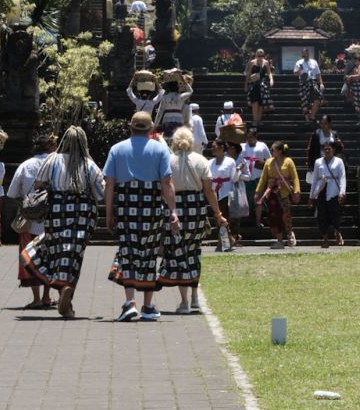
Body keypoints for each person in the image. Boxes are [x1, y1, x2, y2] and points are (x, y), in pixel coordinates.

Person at [21, 127, 105, 318]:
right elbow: (100, 193)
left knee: (56, 250)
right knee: (74, 254)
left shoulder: (52, 159)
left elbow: (38, 185)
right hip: (83, 215)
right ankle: (67, 293)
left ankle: (63, 293)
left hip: (57, 211)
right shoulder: (89, 164)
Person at [104, 112, 178, 322]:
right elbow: (166, 183)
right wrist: (173, 211)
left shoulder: (117, 149)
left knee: (128, 252)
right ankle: (147, 305)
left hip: (127, 207)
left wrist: (109, 212)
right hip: (152, 207)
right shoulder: (160, 148)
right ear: (151, 129)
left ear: (130, 127)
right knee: (149, 253)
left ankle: (130, 303)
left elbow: (109, 184)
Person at [161, 128, 224, 312]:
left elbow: (163, 188)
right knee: (194, 252)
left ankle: (184, 302)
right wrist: (218, 213)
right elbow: (209, 191)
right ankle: (195, 298)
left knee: (179, 253)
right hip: (197, 209)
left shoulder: (168, 161)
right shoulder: (201, 160)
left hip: (176, 208)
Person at [6, 134, 58, 309]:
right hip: (52, 220)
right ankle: (46, 296)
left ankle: (36, 298)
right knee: (50, 257)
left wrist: (27, 204)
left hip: (29, 221)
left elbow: (13, 193)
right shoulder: (58, 164)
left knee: (31, 257)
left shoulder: (25, 165)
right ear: (52, 147)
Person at [255, 140, 301, 248]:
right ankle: (280, 240)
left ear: (280, 151)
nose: (271, 151)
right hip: (272, 193)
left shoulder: (288, 161)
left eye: (273, 149)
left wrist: (297, 191)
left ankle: (290, 234)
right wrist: (258, 192)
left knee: (286, 215)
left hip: (284, 192)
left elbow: (295, 177)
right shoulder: (268, 162)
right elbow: (263, 178)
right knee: (274, 216)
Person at [310, 139, 347, 248]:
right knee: (322, 215)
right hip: (321, 190)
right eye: (325, 149)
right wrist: (311, 196)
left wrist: (342, 192)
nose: (327, 151)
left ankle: (337, 232)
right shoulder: (318, 162)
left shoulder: (339, 162)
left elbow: (342, 177)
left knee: (335, 214)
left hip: (334, 190)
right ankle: (325, 238)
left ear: (333, 150)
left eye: (329, 149)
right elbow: (315, 179)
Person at [208, 138, 239, 248]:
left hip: (227, 192)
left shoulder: (230, 161)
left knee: (224, 217)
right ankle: (225, 240)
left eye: (214, 146)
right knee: (218, 217)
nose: (212, 148)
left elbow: (234, 178)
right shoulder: (210, 162)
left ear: (221, 148)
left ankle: (225, 241)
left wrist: (238, 171)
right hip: (214, 192)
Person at [240, 127, 271, 226]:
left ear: (255, 137)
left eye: (251, 137)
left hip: (258, 177)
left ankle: (258, 221)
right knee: (244, 199)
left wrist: (262, 163)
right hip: (245, 177)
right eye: (247, 137)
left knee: (258, 200)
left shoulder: (262, 145)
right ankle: (243, 220)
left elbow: (270, 160)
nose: (249, 140)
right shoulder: (241, 146)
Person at [153, 69, 190, 140]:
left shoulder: (165, 97)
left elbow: (160, 112)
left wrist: (155, 125)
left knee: (167, 137)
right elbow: (190, 91)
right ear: (177, 87)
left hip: (167, 118)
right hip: (178, 117)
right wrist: (184, 81)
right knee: (177, 137)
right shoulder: (181, 97)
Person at [245, 48, 276, 126]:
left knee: (261, 104)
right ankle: (255, 120)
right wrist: (245, 85)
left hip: (262, 84)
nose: (261, 57)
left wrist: (271, 80)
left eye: (262, 55)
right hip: (254, 84)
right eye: (259, 55)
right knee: (255, 103)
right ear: (256, 55)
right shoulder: (252, 63)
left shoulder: (266, 63)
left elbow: (269, 73)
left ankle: (259, 120)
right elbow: (248, 74)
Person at [305, 115, 341, 183]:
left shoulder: (334, 134)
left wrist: (339, 144)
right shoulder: (316, 134)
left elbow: (339, 149)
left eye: (325, 123)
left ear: (330, 124)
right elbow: (310, 149)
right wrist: (309, 164)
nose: (323, 125)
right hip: (320, 163)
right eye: (321, 123)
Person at [341, 53, 360, 122]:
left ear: (358, 60)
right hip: (356, 87)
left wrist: (351, 76)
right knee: (358, 104)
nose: (355, 62)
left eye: (355, 60)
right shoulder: (357, 66)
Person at [294, 52, 325, 120]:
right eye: (304, 54)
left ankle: (312, 115)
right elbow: (295, 73)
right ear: (302, 55)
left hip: (313, 82)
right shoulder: (299, 62)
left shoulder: (314, 62)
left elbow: (318, 74)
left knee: (319, 99)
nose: (305, 55)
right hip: (303, 82)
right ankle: (307, 120)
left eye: (306, 54)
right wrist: (300, 71)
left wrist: (321, 83)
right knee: (304, 102)